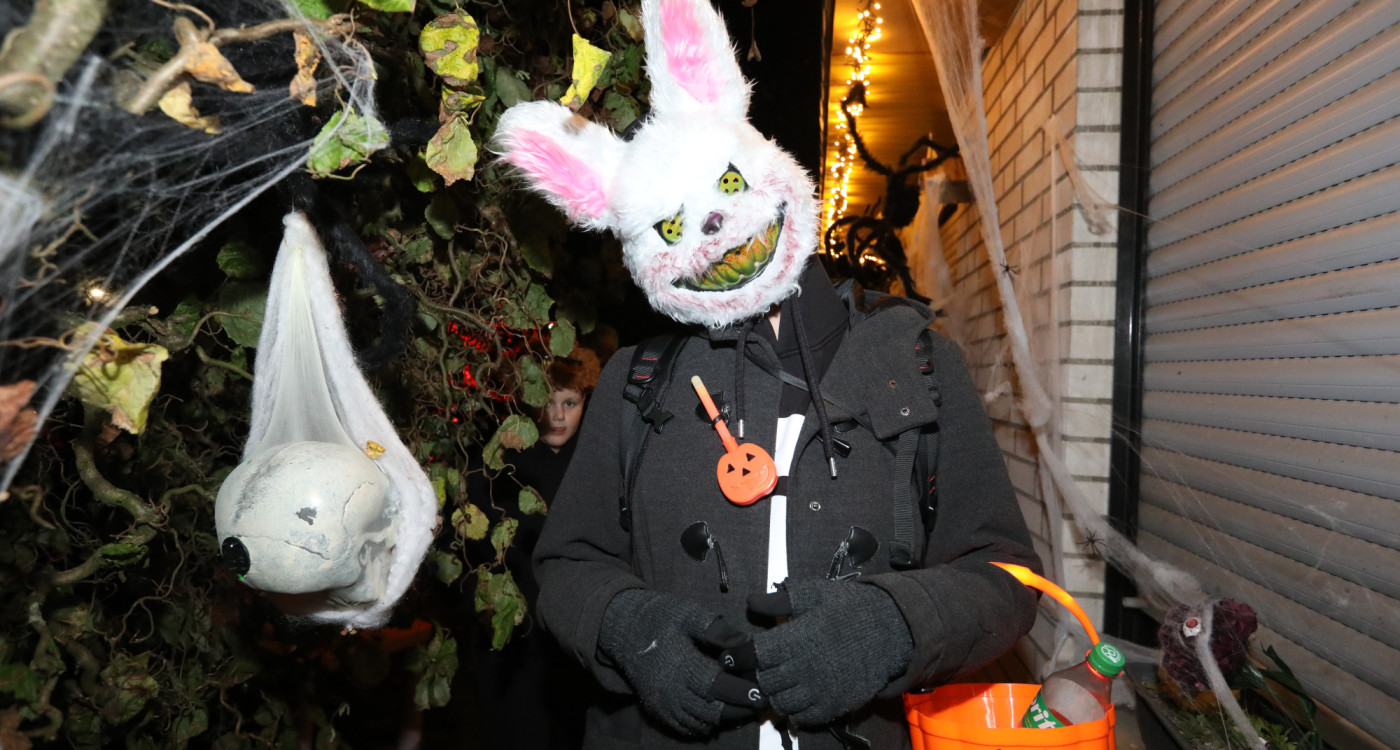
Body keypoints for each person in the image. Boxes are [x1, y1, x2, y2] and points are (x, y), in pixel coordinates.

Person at [493, 0, 1042, 747]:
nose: (714, 236)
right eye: (676, 228)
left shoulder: (918, 362)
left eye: (724, 186)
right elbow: (566, 565)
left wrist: (894, 626)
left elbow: (1007, 575)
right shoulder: (633, 378)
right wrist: (632, 629)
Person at [468, 348, 601, 750]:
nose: (558, 416)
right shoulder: (499, 464)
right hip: (514, 633)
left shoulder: (598, 461)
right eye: (547, 403)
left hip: (574, 631)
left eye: (570, 403)